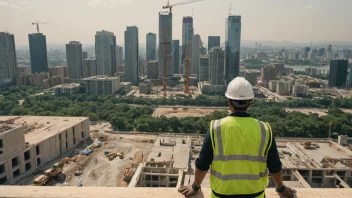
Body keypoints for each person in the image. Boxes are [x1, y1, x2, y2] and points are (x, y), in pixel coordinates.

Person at [178, 77, 296, 198]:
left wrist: (195, 187)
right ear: (250, 102)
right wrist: (281, 188)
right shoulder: (265, 129)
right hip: (255, 195)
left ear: (229, 101)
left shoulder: (215, 128)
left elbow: (203, 163)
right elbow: (274, 165)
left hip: (221, 194)